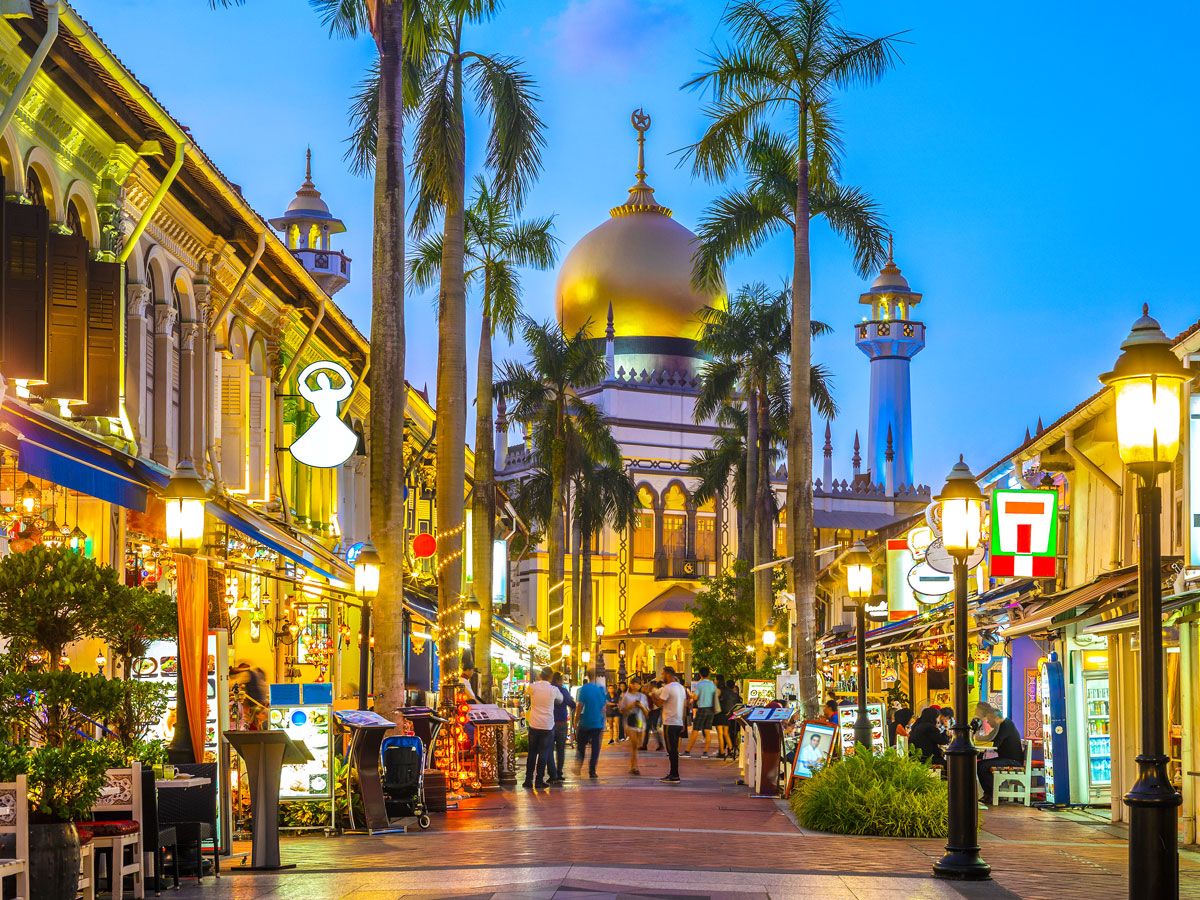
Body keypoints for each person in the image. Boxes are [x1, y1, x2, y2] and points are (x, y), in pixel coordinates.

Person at [973, 702, 1025, 803]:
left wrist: (980, 742)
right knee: (980, 764)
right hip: (1005, 758)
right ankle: (989, 793)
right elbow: (989, 738)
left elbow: (995, 743)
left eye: (989, 719)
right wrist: (975, 738)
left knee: (983, 766)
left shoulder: (1005, 726)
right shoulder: (1001, 726)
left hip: (1013, 761)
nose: (988, 722)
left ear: (996, 718)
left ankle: (992, 793)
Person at [523, 666, 562, 789]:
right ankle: (539, 780)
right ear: (550, 677)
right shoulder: (553, 689)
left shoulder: (533, 687)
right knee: (544, 753)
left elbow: (526, 694)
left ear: (540, 675)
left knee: (532, 753)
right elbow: (560, 700)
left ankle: (528, 780)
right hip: (547, 725)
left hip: (534, 724)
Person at [656, 667, 687, 783]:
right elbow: (684, 705)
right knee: (674, 749)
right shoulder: (681, 687)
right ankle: (673, 773)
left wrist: (652, 694)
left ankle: (674, 775)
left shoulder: (667, 688)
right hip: (678, 721)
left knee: (671, 750)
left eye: (663, 673)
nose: (662, 676)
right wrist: (683, 721)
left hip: (669, 721)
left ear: (668, 675)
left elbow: (659, 703)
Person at [574, 671, 608, 778]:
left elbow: (580, 706)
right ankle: (592, 771)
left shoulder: (584, 688)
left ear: (587, 677)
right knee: (595, 748)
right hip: (597, 723)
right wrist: (603, 722)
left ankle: (578, 767)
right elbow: (603, 708)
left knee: (581, 746)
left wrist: (576, 720)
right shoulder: (601, 689)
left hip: (585, 722)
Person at [684, 667, 719, 758]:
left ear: (700, 674)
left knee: (695, 730)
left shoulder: (700, 684)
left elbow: (695, 697)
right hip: (711, 709)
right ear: (709, 674)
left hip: (702, 708)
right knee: (707, 730)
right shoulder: (712, 684)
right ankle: (705, 752)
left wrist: (690, 694)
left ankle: (687, 751)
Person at [549, 671, 576, 784]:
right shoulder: (563, 690)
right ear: (559, 680)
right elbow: (572, 704)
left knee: (549, 750)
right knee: (560, 749)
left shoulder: (549, 689)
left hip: (549, 723)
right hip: (561, 723)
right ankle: (559, 772)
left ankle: (552, 774)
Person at [619, 677, 650, 775]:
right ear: (631, 684)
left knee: (638, 745)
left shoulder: (643, 696)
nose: (636, 685)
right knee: (634, 744)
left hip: (640, 722)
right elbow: (622, 710)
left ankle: (633, 765)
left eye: (638, 684)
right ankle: (634, 766)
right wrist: (631, 706)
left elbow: (647, 712)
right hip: (630, 722)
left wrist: (641, 706)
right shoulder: (626, 696)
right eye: (634, 683)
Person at [231, 662, 269, 730]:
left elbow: (233, 684)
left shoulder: (247, 674)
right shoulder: (257, 673)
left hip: (256, 704)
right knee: (259, 723)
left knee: (253, 723)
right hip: (262, 702)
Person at [714, 676, 736, 759]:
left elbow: (714, 701)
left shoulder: (718, 690)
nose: (714, 681)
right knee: (726, 733)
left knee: (720, 733)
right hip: (727, 714)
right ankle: (731, 750)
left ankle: (722, 752)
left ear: (718, 681)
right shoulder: (728, 691)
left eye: (715, 679)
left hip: (719, 714)